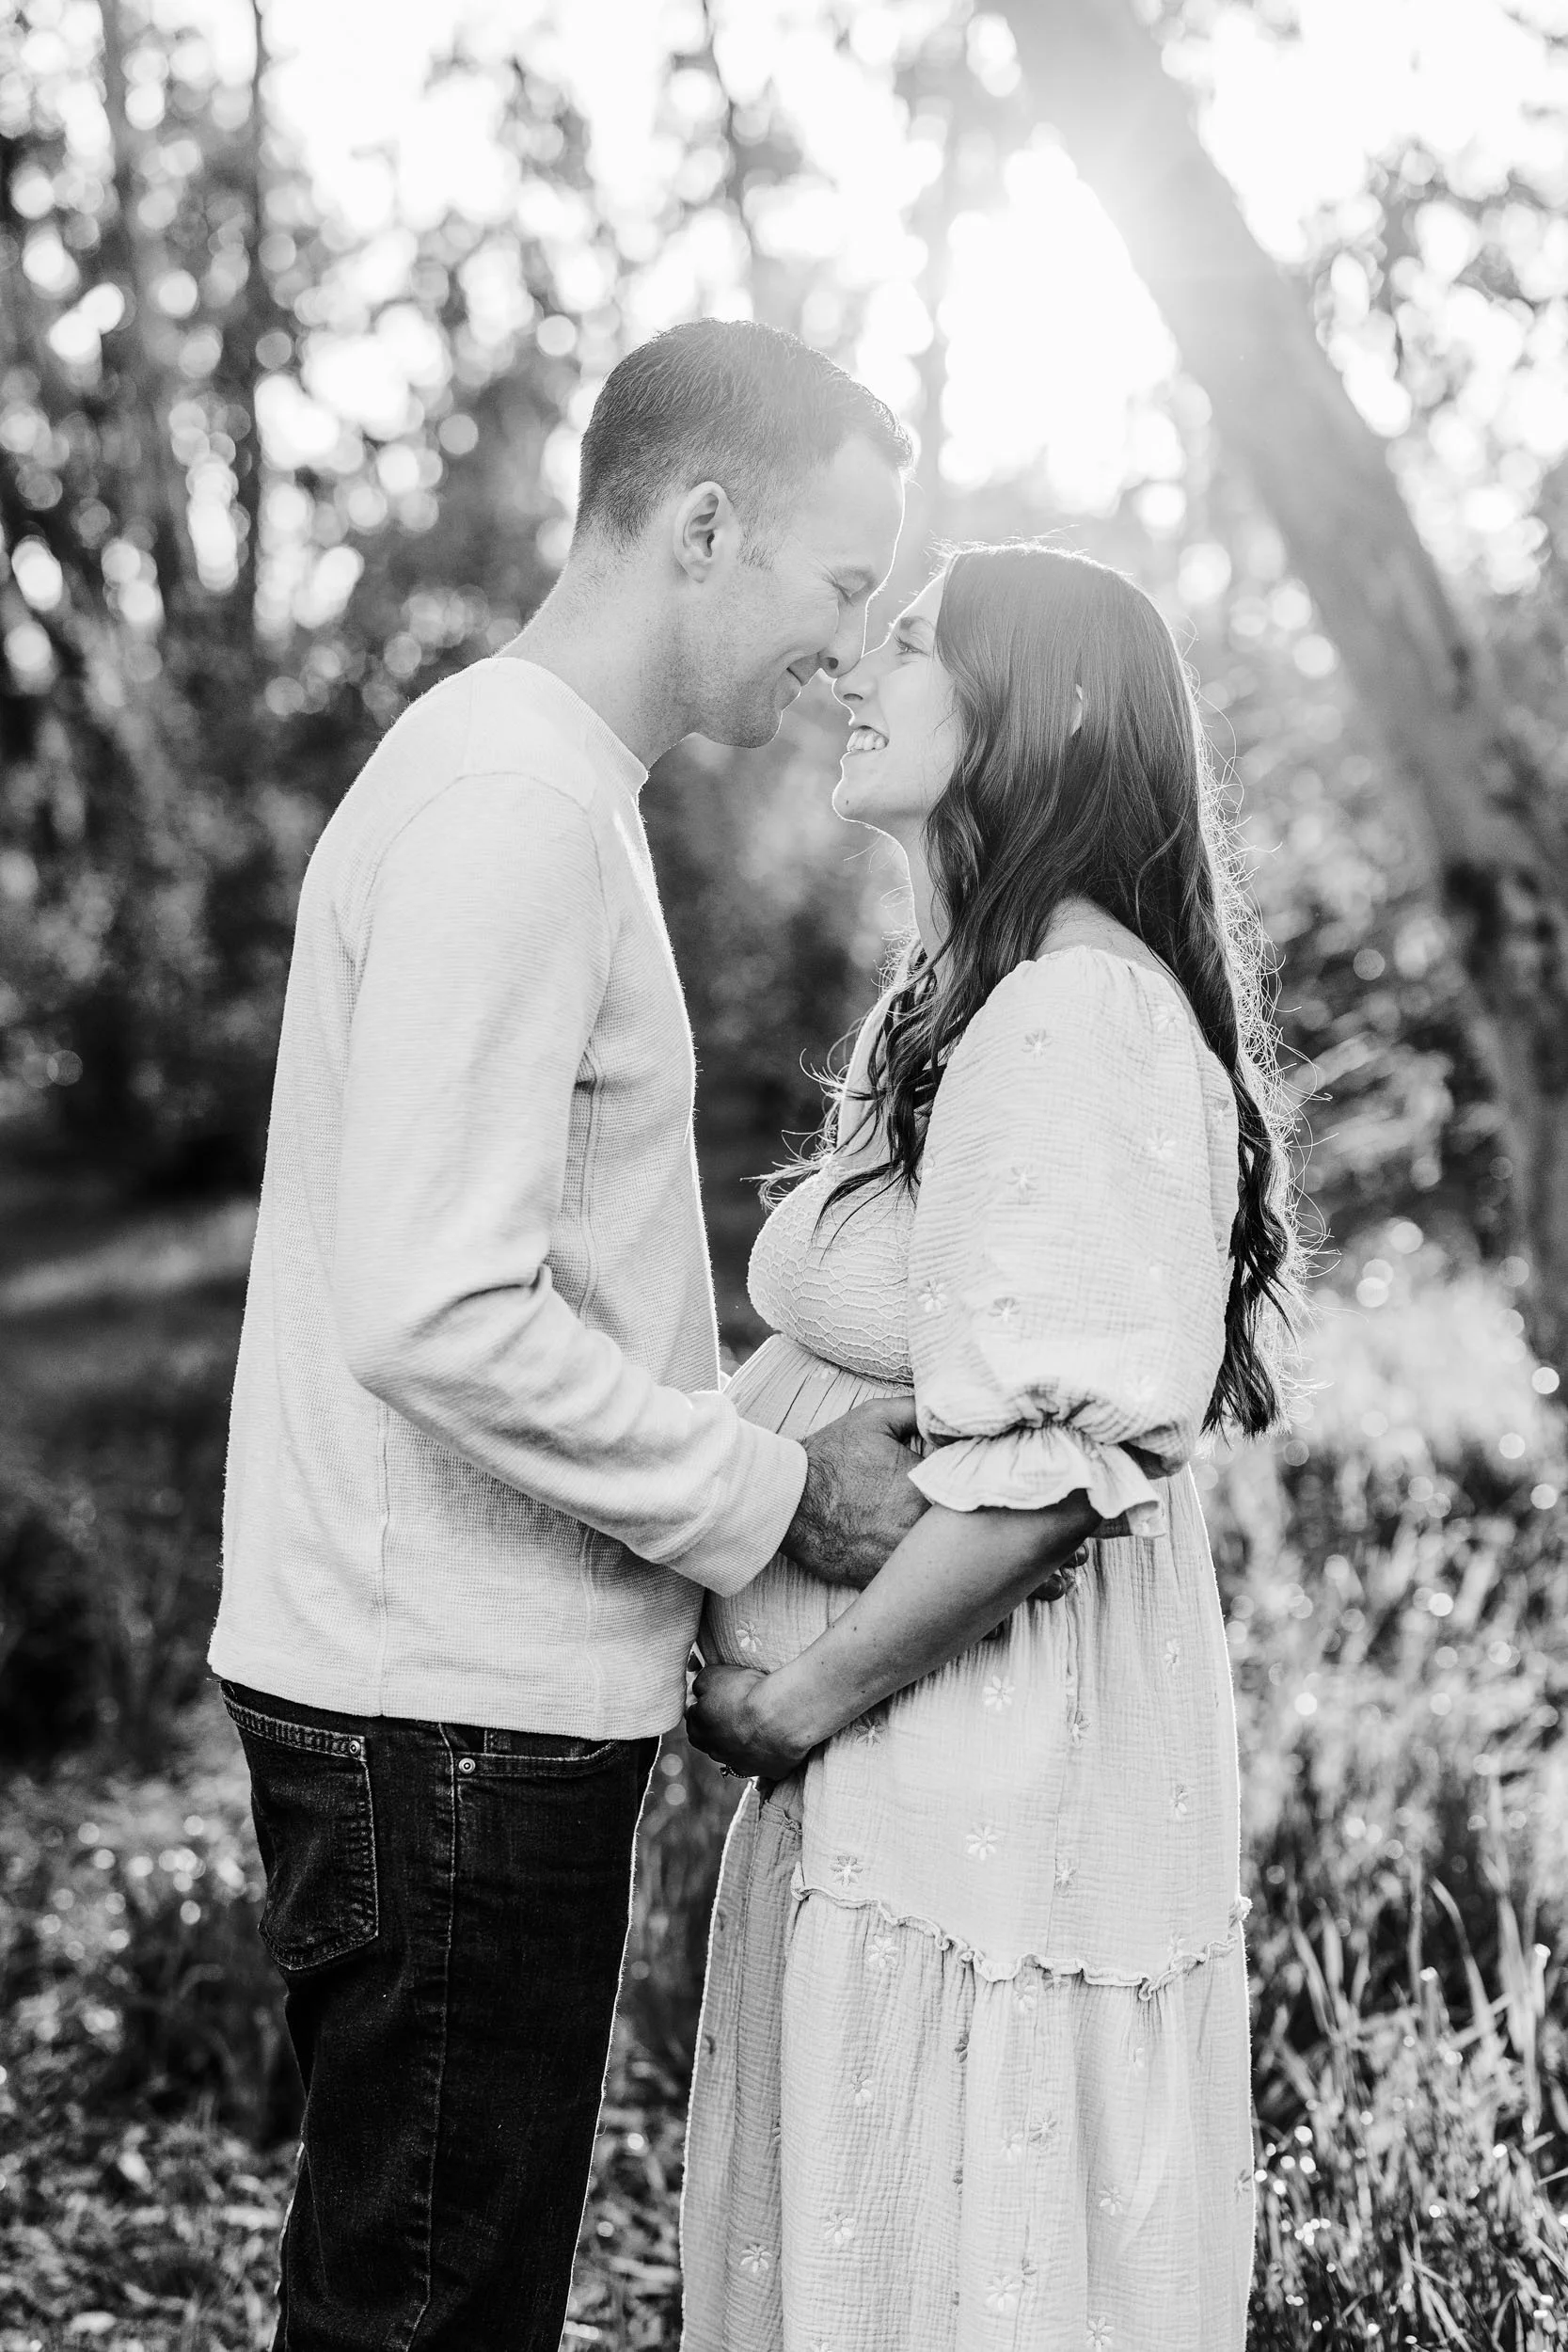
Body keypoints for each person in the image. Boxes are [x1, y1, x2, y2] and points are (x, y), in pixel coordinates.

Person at [207, 319, 925, 2351]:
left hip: (453, 1693)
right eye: (834, 586)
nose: (840, 650)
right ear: (703, 523)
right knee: (432, 2311)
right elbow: (435, 1300)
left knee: (413, 2281)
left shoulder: (538, 780)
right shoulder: (512, 803)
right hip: (438, 1709)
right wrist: (772, 1493)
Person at [683, 542, 1302, 2351]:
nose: (851, 670)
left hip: (982, 1773)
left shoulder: (1076, 1012)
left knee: (967, 2260)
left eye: (913, 644)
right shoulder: (973, 995)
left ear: (1054, 709)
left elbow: (1053, 1472)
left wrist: (799, 1703)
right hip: (924, 1763)